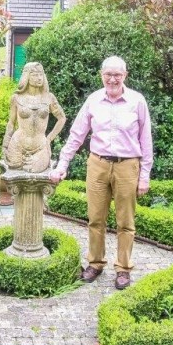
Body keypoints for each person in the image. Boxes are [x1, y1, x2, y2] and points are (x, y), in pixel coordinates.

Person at [48, 56, 153, 290]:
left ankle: (123, 268)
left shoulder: (137, 101)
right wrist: (62, 164)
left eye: (117, 74)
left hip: (128, 165)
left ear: (125, 75)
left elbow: (146, 140)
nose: (113, 79)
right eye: (108, 74)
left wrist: (144, 175)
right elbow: (76, 135)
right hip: (98, 164)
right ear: (101, 75)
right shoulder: (93, 100)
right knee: (96, 218)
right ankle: (95, 264)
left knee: (126, 221)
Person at [1, 62, 66, 173]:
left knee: (33, 171)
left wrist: (49, 139)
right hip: (17, 145)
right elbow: (11, 123)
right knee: (13, 176)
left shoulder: (49, 97)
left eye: (41, 74)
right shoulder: (16, 98)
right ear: (27, 76)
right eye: (35, 75)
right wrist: (5, 145)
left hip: (40, 146)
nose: (39, 78)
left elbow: (62, 118)